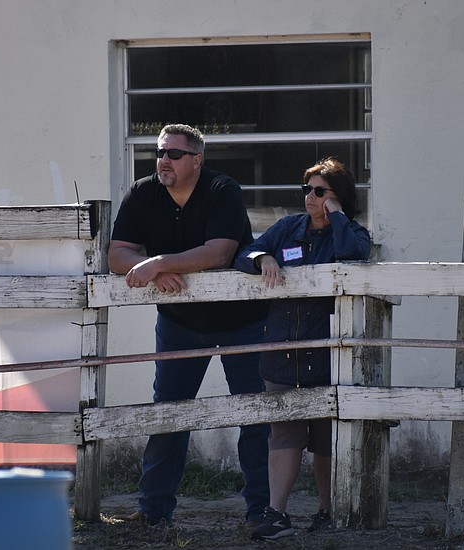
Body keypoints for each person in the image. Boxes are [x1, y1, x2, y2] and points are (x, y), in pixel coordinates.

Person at [108, 124, 270, 527]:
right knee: (168, 413)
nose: (163, 160)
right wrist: (149, 271)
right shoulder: (144, 191)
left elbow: (220, 251)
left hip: (242, 321)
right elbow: (116, 253)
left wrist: (159, 262)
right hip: (179, 320)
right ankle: (152, 511)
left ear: (196, 160)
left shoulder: (222, 189)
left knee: (253, 415)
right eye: (159, 153)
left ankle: (261, 512)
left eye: (174, 155)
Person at [234, 158, 371, 541]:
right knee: (284, 435)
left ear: (338, 197)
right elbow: (242, 254)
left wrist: (337, 217)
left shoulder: (352, 232)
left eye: (319, 191)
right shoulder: (287, 229)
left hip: (329, 356)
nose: (310, 197)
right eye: (307, 189)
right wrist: (264, 257)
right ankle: (277, 514)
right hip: (281, 353)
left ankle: (327, 511)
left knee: (327, 437)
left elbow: (354, 256)